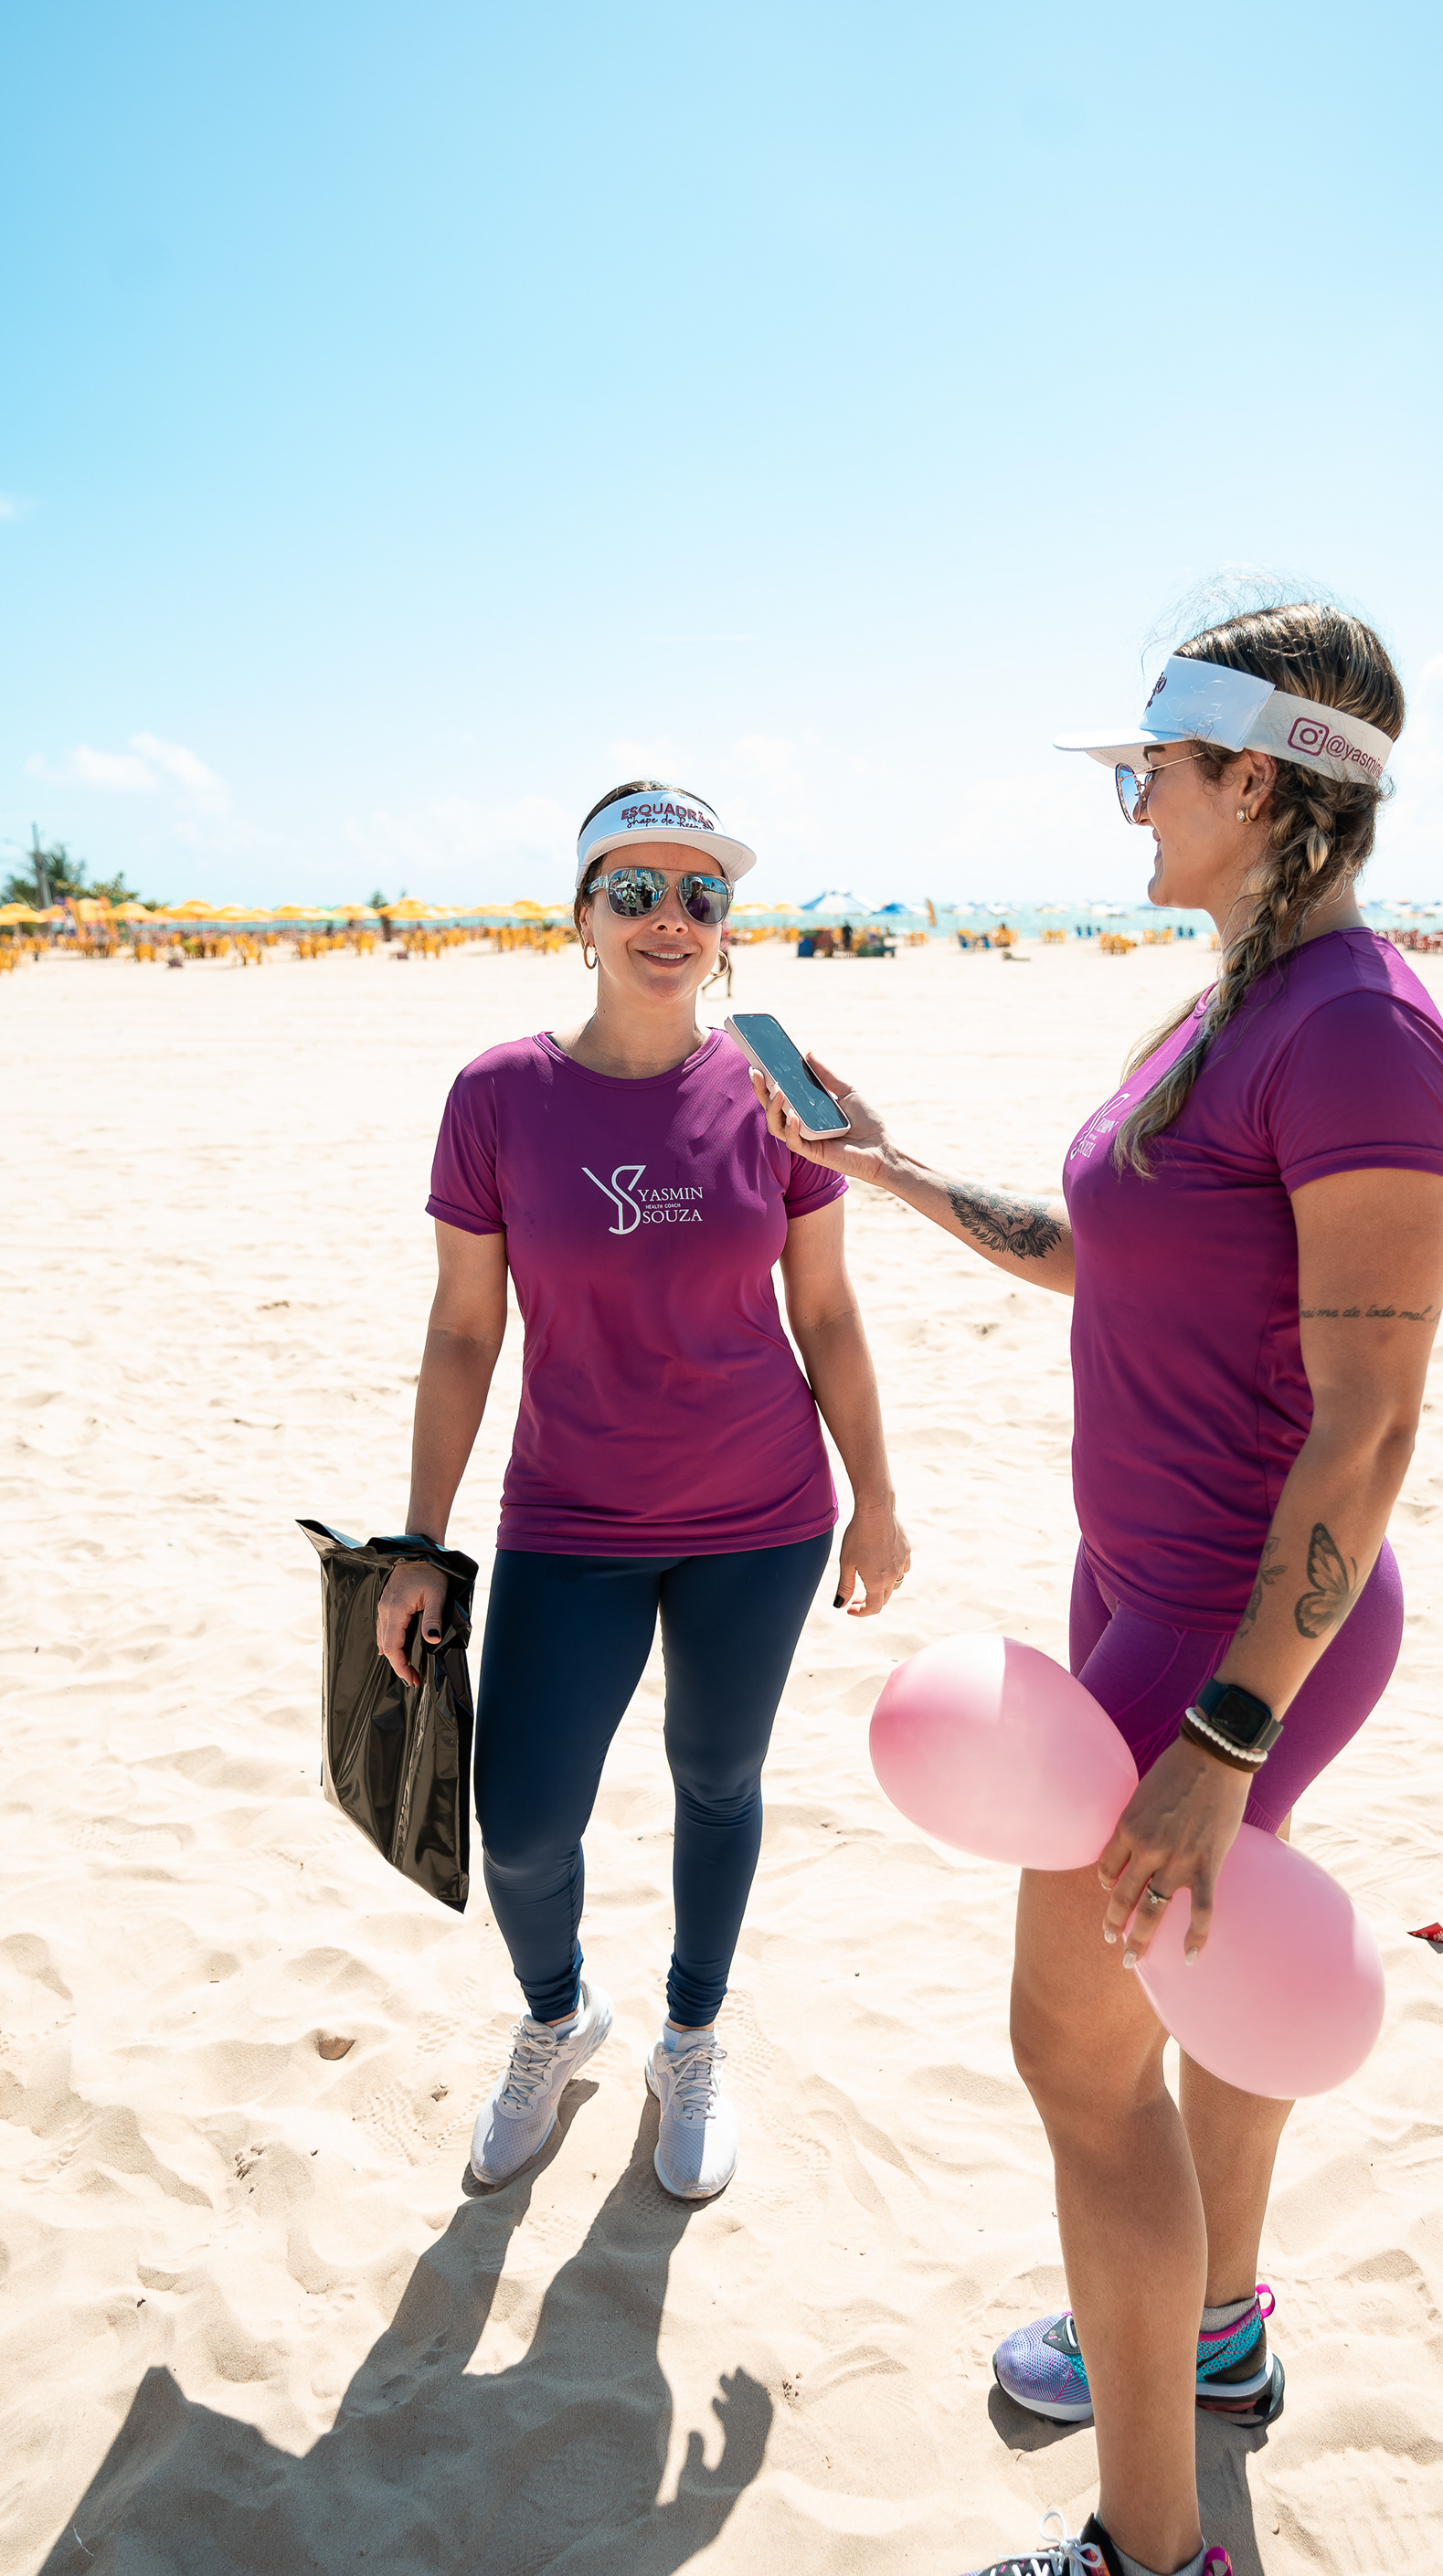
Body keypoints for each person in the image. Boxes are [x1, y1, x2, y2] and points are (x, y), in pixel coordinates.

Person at [751, 600, 1443, 2576]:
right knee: (1207, 1988)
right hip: (1146, 1595)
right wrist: (888, 1168)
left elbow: (1373, 1428)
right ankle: (1209, 2329)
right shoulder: (1232, 1009)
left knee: (1080, 2068)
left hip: (1234, 1629)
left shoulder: (1361, 1034)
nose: (1133, 808)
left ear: (1260, 782)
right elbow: (1110, 1255)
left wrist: (1221, 1736)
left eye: (1151, 772)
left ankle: (1154, 2554)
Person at [377, 780, 910, 2205]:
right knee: (521, 1824)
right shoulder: (497, 1096)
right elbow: (465, 1331)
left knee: (716, 1780)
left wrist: (876, 1495)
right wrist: (419, 1543)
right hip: (570, 1521)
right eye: (635, 890)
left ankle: (691, 2037)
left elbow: (827, 1312)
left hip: (762, 1518)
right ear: (582, 914)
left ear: (725, 927)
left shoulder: (779, 1093)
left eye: (700, 895)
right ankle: (559, 2015)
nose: (669, 918)